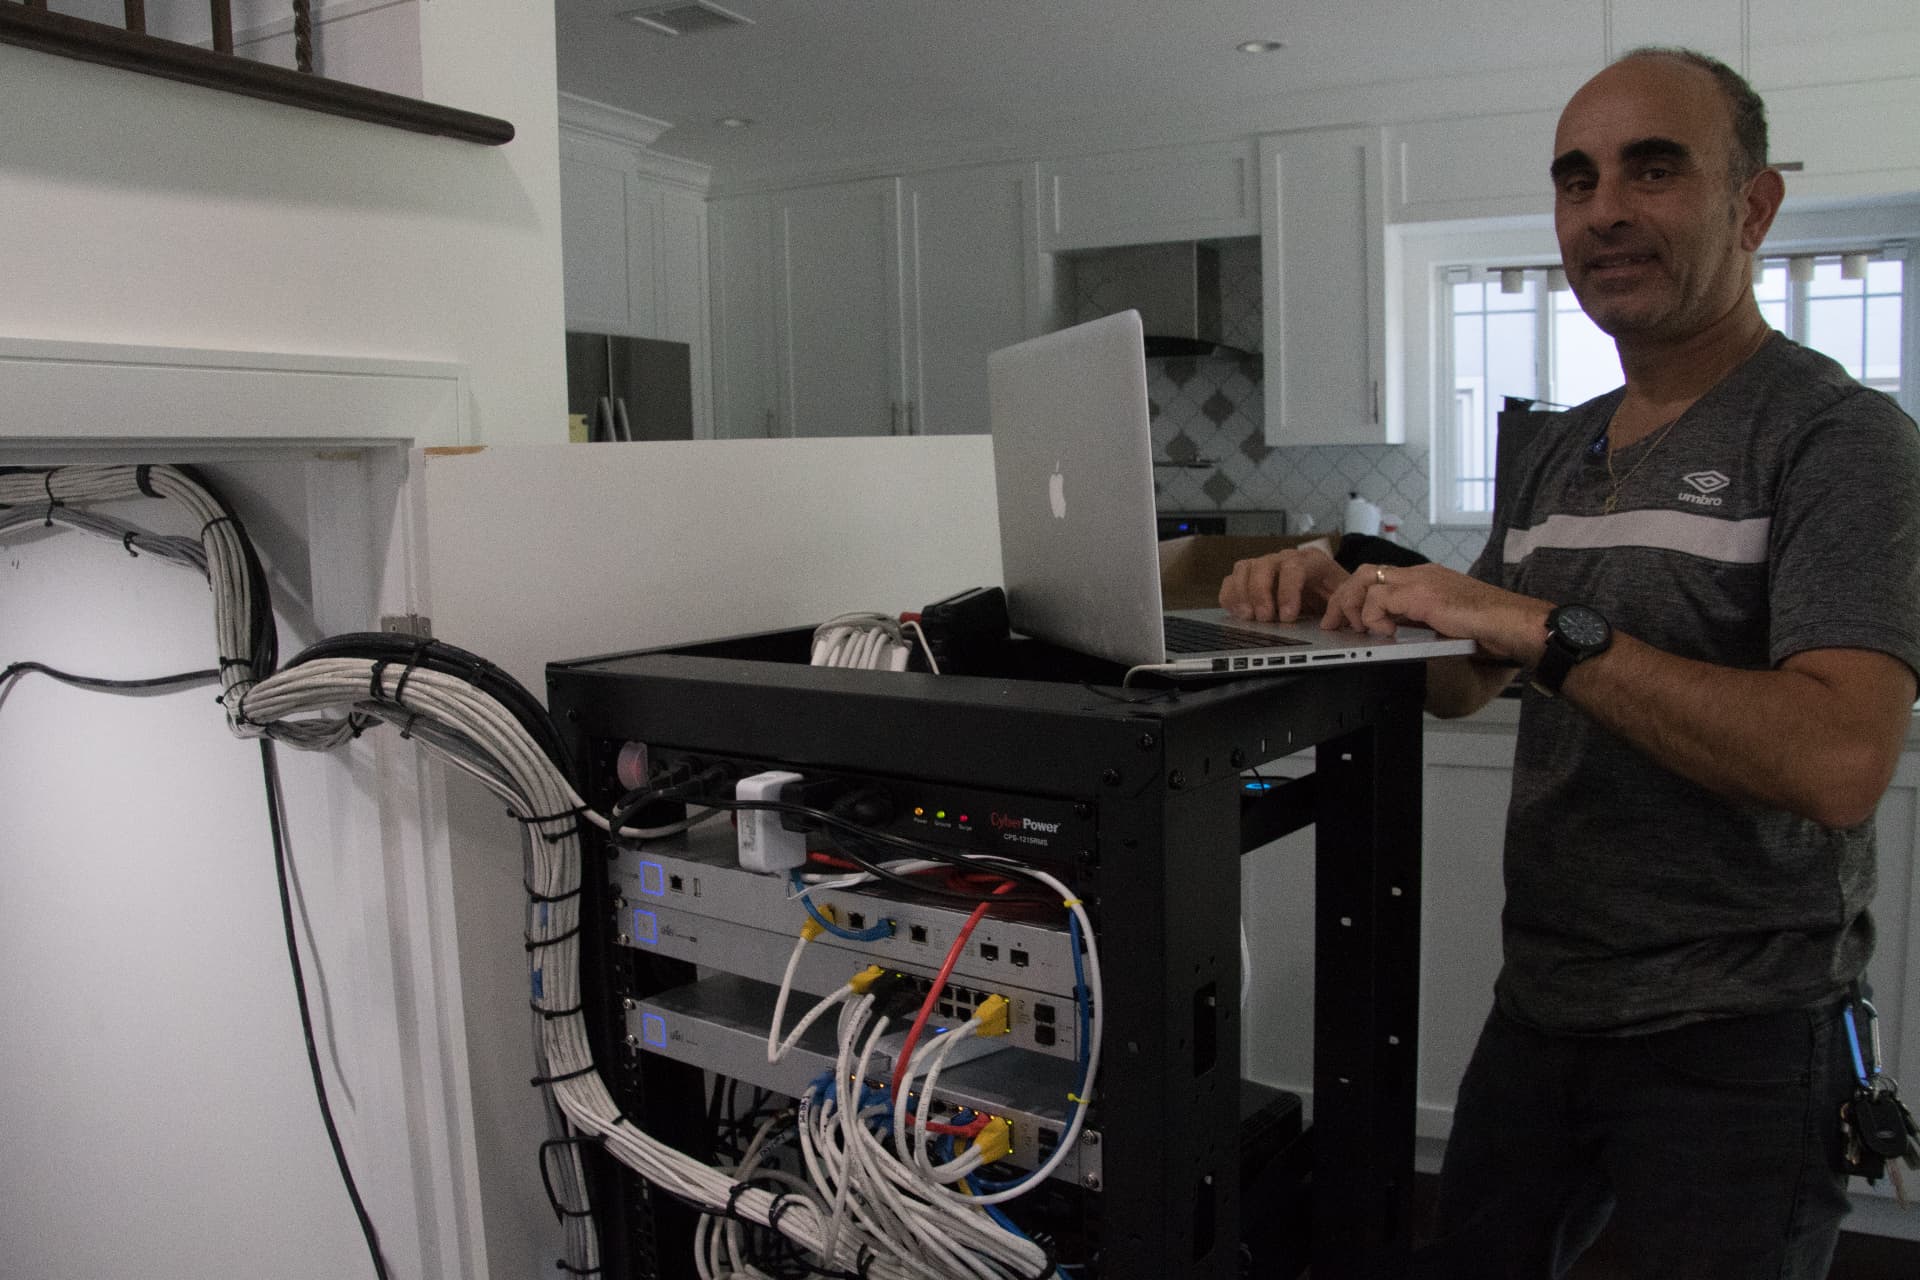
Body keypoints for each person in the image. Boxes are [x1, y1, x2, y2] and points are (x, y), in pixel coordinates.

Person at [1221, 47, 1920, 1279]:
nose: (1604, 211)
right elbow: (1463, 681)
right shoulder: (1557, 449)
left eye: (1655, 169)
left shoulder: (1841, 439)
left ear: (1752, 207)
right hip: (1543, 1005)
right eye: (1576, 179)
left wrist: (1541, 625)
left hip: (1738, 1039)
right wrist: (1351, 598)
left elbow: (1836, 758)